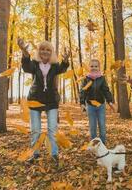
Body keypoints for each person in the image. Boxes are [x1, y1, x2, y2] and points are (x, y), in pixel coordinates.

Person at [18, 38, 70, 166]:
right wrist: (24, 53)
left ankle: (54, 154)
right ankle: (34, 154)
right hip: (35, 99)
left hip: (51, 100)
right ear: (39, 51)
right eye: (42, 49)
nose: (45, 51)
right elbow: (26, 67)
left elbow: (63, 68)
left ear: (51, 52)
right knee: (35, 129)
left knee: (52, 128)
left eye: (48, 49)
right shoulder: (34, 64)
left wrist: (66, 59)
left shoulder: (55, 66)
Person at [80, 59, 115, 145]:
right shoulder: (86, 79)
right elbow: (83, 91)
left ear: (99, 68)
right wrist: (82, 103)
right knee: (92, 127)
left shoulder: (102, 79)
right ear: (89, 67)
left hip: (101, 106)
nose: (94, 68)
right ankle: (94, 144)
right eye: (92, 66)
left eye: (96, 66)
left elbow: (106, 90)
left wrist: (110, 101)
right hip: (90, 106)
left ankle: (102, 144)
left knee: (102, 125)